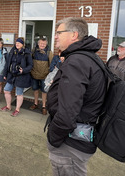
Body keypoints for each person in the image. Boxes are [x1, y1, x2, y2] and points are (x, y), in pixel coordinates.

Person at [46, 17, 107, 176]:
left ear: (73, 35)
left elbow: (67, 113)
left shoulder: (77, 61)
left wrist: (53, 137)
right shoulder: (87, 58)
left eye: (59, 32)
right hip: (78, 139)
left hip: (70, 145)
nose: (56, 36)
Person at [1, 37, 33, 117]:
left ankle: (17, 109)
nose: (17, 44)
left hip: (21, 76)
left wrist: (24, 70)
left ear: (22, 44)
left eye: (19, 43)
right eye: (16, 43)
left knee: (19, 93)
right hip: (11, 75)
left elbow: (30, 65)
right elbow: (7, 64)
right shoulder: (12, 51)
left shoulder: (27, 53)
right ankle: (8, 106)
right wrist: (5, 74)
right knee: (6, 90)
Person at [30, 37, 54, 115]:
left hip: (44, 76)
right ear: (38, 44)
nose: (42, 45)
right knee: (35, 90)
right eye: (41, 43)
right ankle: (35, 104)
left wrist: (50, 76)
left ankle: (44, 106)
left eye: (44, 44)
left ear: (46, 44)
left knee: (44, 91)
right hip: (34, 74)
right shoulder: (33, 51)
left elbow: (52, 65)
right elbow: (30, 62)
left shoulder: (49, 52)